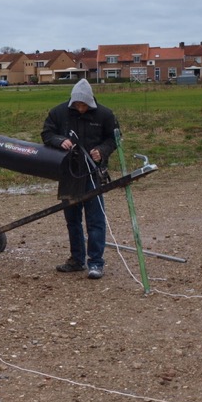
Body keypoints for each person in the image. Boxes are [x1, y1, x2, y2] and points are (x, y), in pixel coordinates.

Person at [41, 78, 117, 279]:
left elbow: (114, 139)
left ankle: (96, 263)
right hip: (68, 174)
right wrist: (59, 140)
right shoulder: (58, 113)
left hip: (93, 175)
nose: (80, 108)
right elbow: (46, 134)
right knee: (72, 221)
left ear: (90, 102)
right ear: (72, 101)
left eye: (84, 105)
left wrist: (102, 151)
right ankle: (76, 260)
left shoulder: (105, 115)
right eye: (77, 105)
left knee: (96, 221)